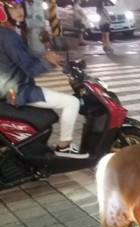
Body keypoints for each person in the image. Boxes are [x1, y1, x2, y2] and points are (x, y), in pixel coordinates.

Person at [0, 0, 88, 158]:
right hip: (18, 91)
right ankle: (64, 146)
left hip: (9, 88)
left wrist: (45, 56)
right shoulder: (8, 36)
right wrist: (48, 61)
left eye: (21, 6)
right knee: (71, 102)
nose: (20, 10)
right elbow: (30, 68)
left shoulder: (7, 33)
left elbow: (21, 59)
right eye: (13, 7)